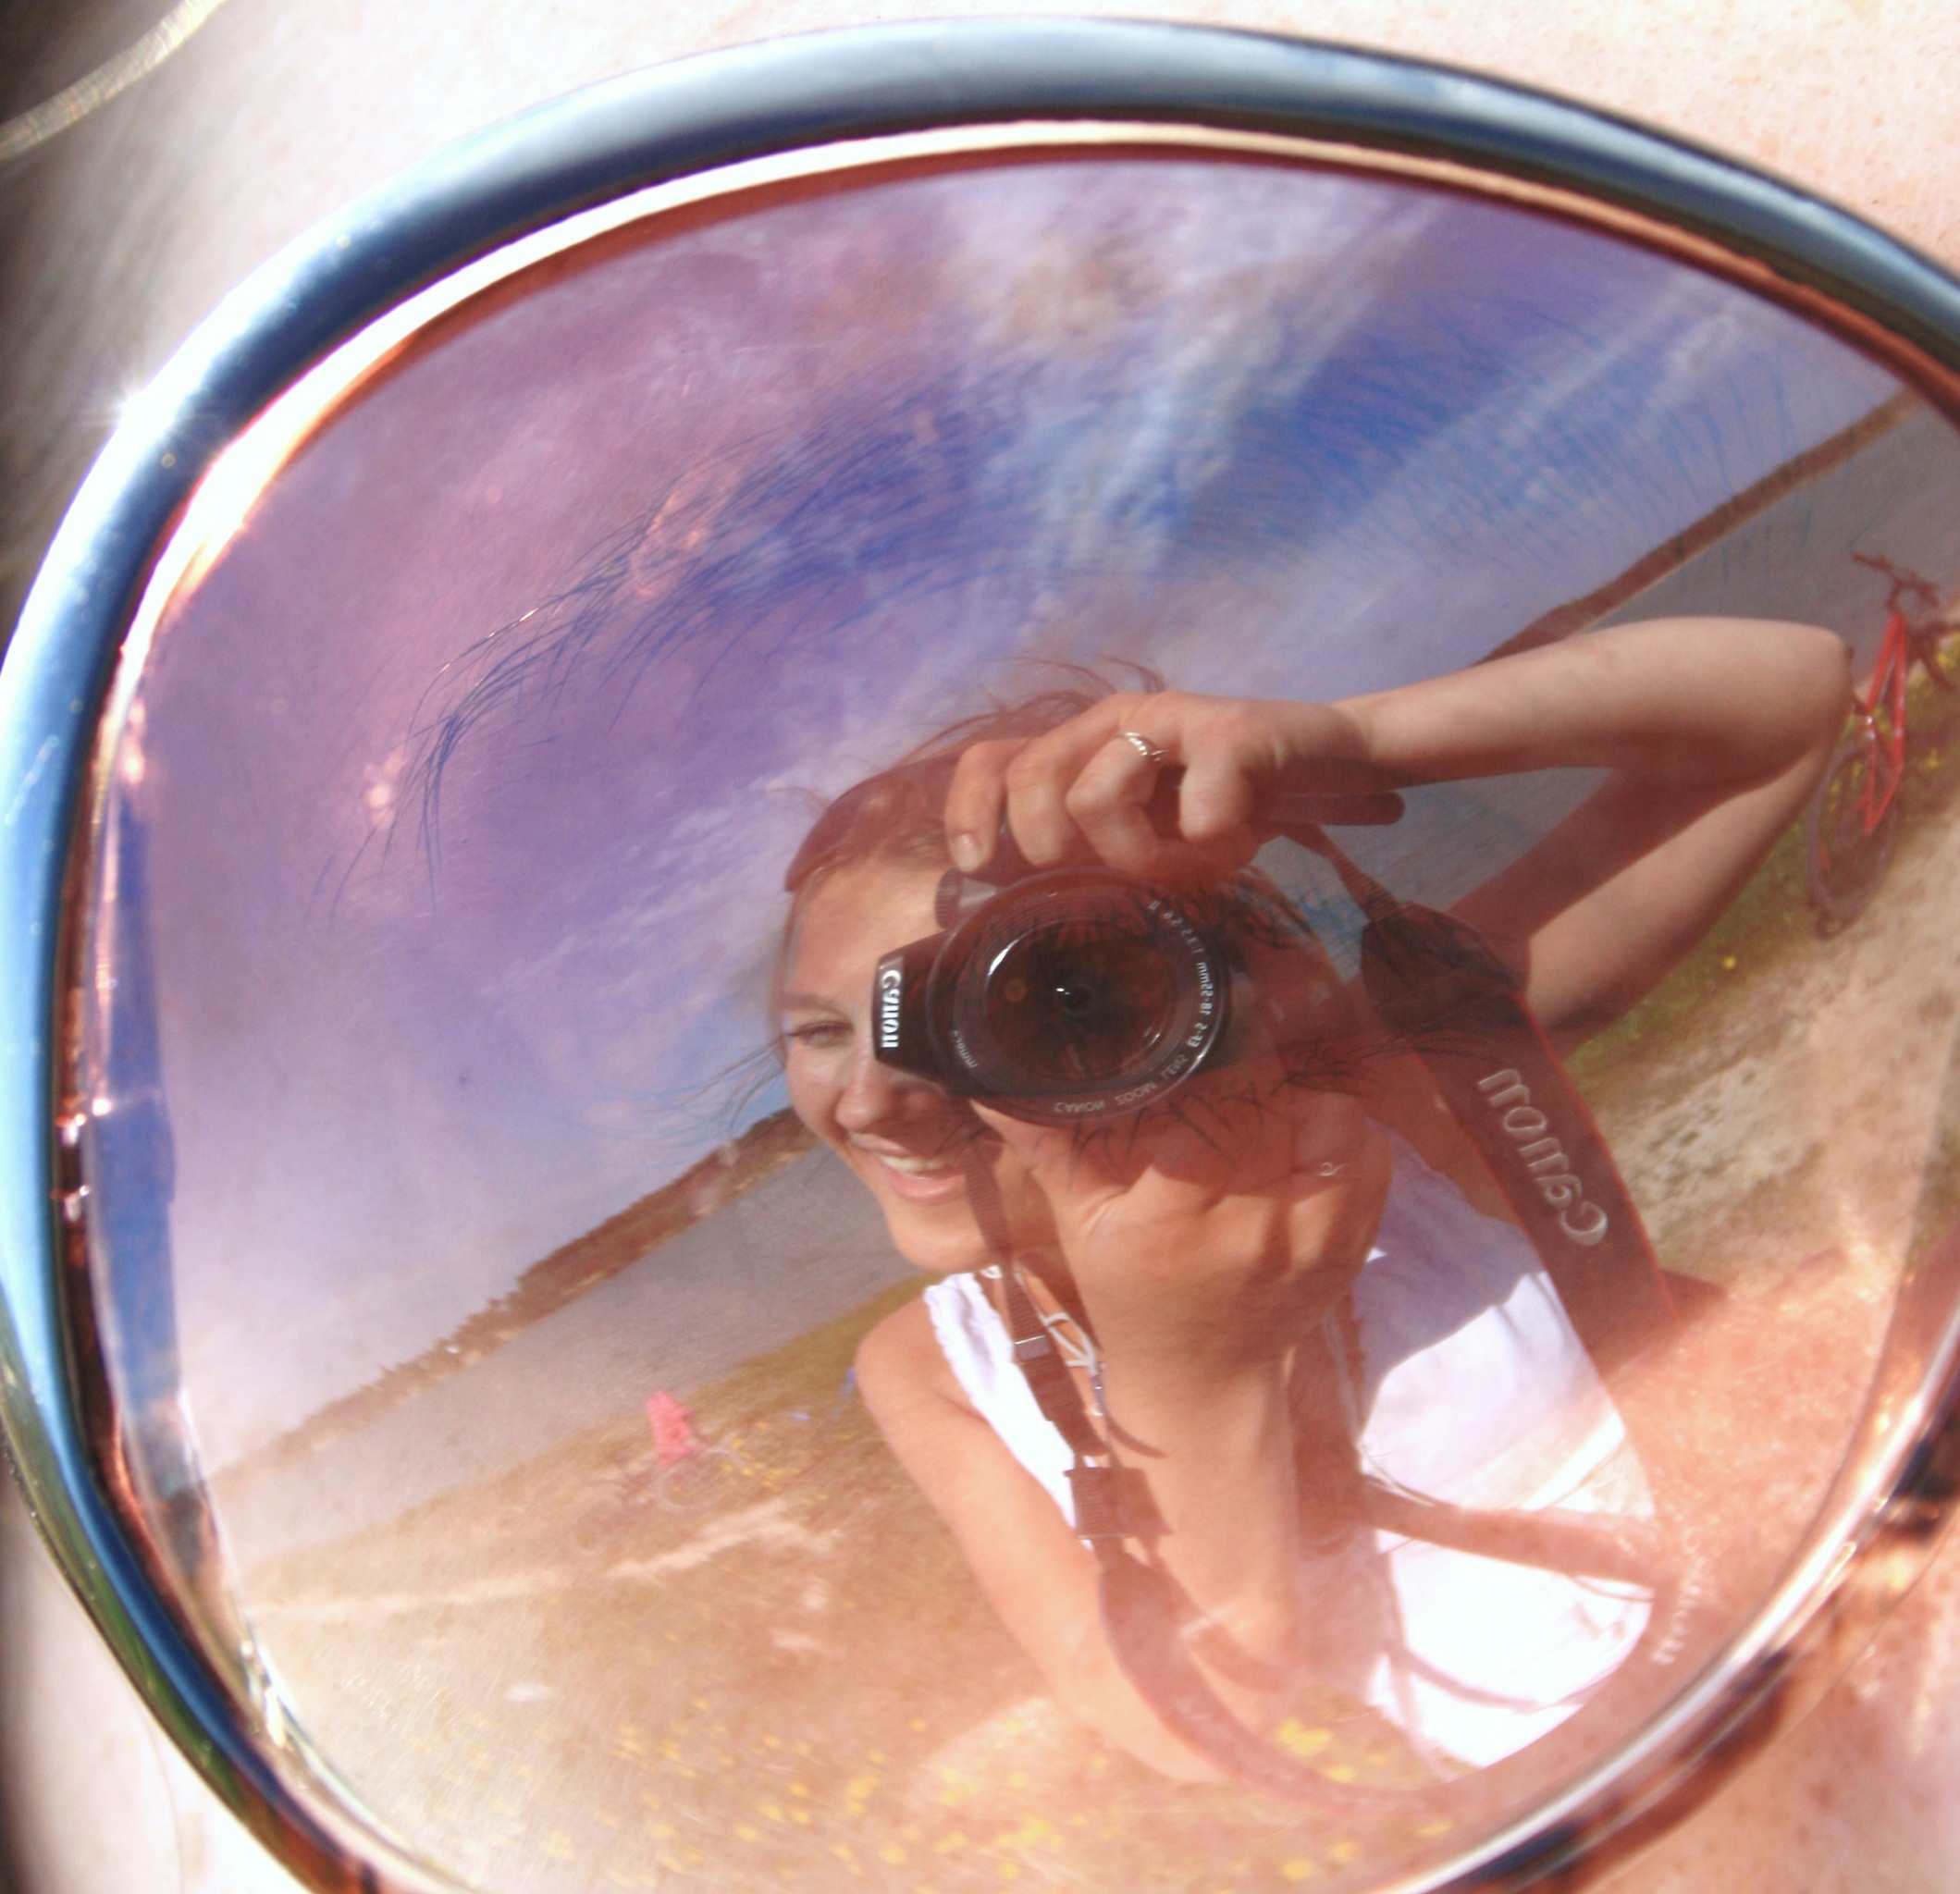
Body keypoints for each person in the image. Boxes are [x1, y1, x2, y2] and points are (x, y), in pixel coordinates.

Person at [773, 620, 1850, 1785]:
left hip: (1859, 1584)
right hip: (1622, 1815)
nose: (871, 1097)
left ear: (1156, 1001)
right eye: (821, 1031)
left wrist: (1344, 741)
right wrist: (1193, 1375)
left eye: (979, 1017)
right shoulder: (932, 1368)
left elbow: (1788, 698)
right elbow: (1182, 1725)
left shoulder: (1366, 1101)